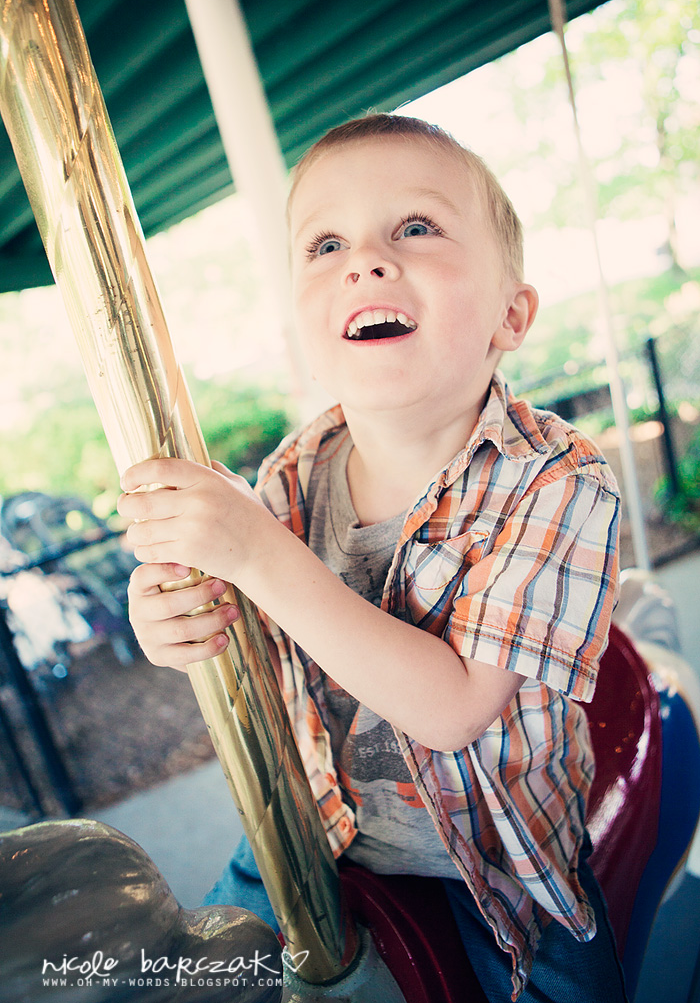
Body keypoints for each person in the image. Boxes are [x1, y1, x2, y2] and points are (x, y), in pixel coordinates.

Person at [117, 114, 625, 1002]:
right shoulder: (290, 476)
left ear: (511, 315)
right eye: (326, 245)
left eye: (415, 228)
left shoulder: (559, 482)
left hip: (499, 861)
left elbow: (456, 708)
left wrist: (258, 552)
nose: (366, 262)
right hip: (318, 820)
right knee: (181, 978)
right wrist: (176, 618)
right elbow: (252, 635)